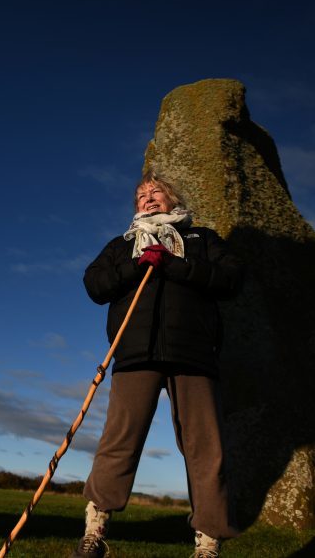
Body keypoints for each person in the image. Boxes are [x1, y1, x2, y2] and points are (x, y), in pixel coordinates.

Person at [71, 173, 242, 558]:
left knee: (205, 449)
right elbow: (95, 285)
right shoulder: (124, 244)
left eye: (156, 192)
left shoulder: (203, 240)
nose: (147, 199)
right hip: (135, 353)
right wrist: (137, 265)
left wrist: (175, 265)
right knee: (119, 442)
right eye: (140, 195)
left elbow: (231, 280)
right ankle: (94, 533)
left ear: (173, 198)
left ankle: (208, 543)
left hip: (194, 354)